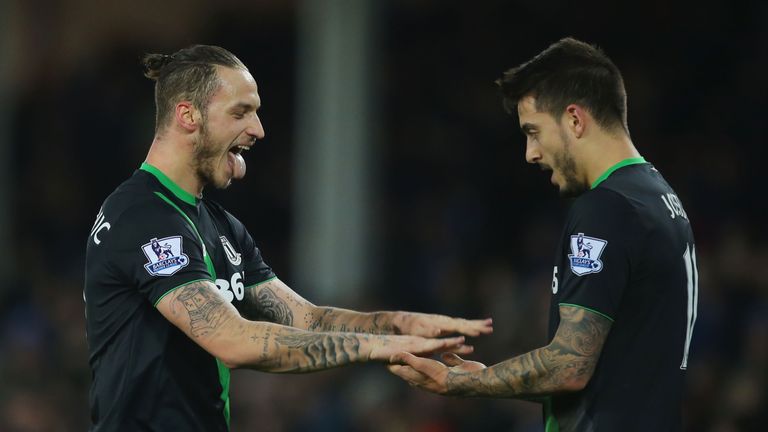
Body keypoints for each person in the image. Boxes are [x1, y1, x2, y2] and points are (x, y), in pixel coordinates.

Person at [83, 45, 493, 431]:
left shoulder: (221, 226)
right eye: (241, 112)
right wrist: (377, 346)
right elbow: (232, 340)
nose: (258, 129)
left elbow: (306, 318)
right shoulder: (142, 216)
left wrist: (398, 325)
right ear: (188, 116)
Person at [388, 37, 698, 431]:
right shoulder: (659, 197)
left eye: (534, 131)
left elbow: (570, 367)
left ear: (574, 119)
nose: (530, 153)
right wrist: (487, 374)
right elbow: (606, 373)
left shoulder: (606, 208)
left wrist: (458, 381)